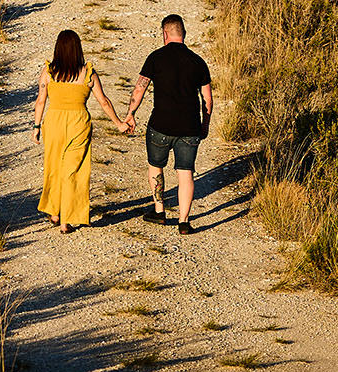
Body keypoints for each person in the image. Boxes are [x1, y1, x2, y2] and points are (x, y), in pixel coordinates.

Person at [33, 29, 129, 234]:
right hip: (78, 123)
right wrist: (119, 123)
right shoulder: (88, 73)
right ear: (78, 49)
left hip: (54, 123)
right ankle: (67, 220)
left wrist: (36, 126)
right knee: (73, 171)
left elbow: (40, 101)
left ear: (58, 48)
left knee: (54, 166)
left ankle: (55, 212)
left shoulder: (49, 72)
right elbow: (103, 101)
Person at [123, 14, 212, 234]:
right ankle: (183, 221)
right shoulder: (198, 61)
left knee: (156, 166)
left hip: (160, 125)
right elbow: (207, 99)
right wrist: (205, 124)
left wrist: (130, 114)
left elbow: (139, 89)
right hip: (190, 127)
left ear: (165, 33)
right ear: (184, 34)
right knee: (186, 173)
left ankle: (160, 211)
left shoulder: (156, 57)